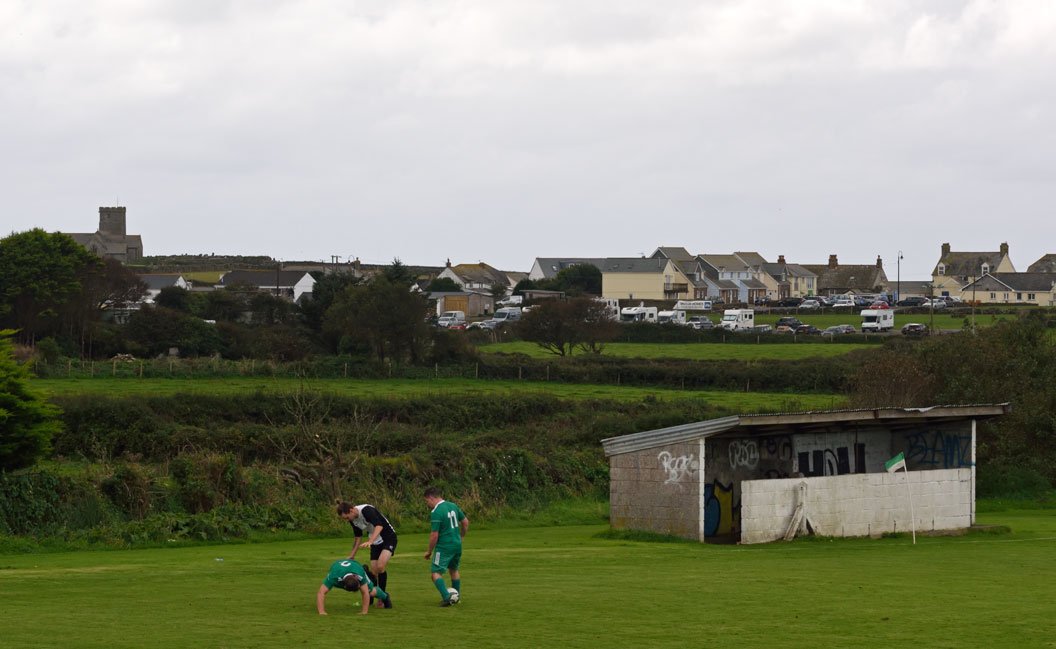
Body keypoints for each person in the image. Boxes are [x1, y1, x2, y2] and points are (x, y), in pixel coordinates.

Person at [336, 501, 397, 607]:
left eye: (346, 517)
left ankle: (382, 598)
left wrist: (370, 541)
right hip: (374, 541)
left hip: (388, 537)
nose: (347, 520)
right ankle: (371, 596)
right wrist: (352, 555)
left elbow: (379, 526)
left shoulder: (366, 510)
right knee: (373, 572)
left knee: (380, 566)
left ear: (351, 510)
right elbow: (358, 537)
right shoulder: (353, 520)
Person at [422, 486, 469, 607]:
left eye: (426, 501)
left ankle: (447, 597)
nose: (427, 504)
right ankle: (456, 597)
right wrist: (462, 537)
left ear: (431, 498)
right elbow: (465, 522)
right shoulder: (452, 505)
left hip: (444, 546)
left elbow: (434, 535)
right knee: (454, 570)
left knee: (435, 573)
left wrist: (429, 551)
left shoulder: (437, 512)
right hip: (457, 545)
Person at [316, 558, 392, 616]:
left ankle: (385, 596)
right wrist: (321, 612)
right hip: (338, 568)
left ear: (356, 577)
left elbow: (365, 593)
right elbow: (321, 593)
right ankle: (367, 572)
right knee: (324, 590)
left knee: (370, 592)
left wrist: (364, 612)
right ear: (344, 586)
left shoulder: (359, 574)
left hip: (356, 567)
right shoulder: (334, 577)